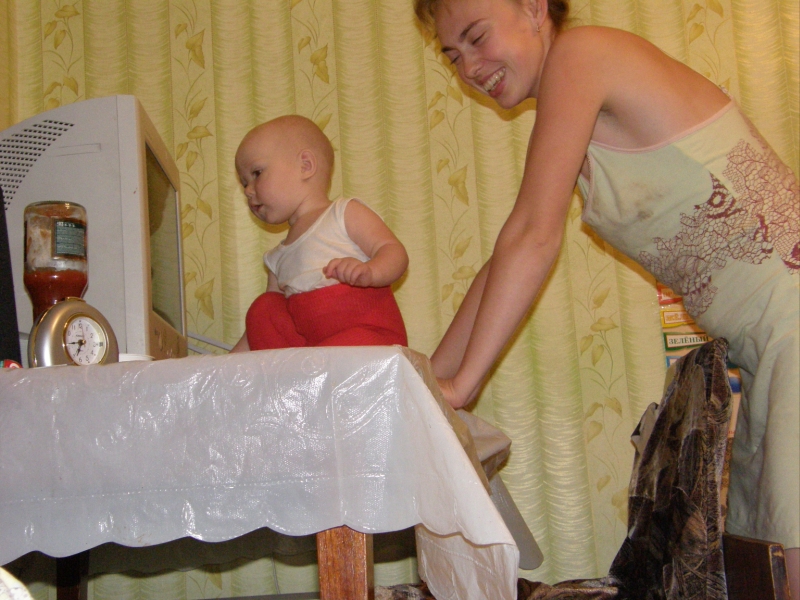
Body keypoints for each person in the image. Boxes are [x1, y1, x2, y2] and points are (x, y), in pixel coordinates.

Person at [414, 0, 799, 594]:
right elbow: (504, 260)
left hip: (791, 325)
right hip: (767, 349)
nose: (468, 66)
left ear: (533, 7)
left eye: (476, 36)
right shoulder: (574, 111)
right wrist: (425, 378)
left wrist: (460, 387)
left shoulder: (583, 54)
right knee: (764, 570)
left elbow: (533, 234)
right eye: (452, 55)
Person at [230, 115, 408, 352]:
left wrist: (370, 272)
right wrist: (224, 364)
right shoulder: (277, 258)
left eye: (257, 173)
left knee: (341, 353)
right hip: (315, 353)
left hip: (368, 338)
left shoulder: (344, 213)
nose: (248, 191)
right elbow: (256, 333)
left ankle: (310, 369)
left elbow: (394, 252)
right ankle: (293, 372)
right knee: (264, 309)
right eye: (244, 183)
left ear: (305, 166)